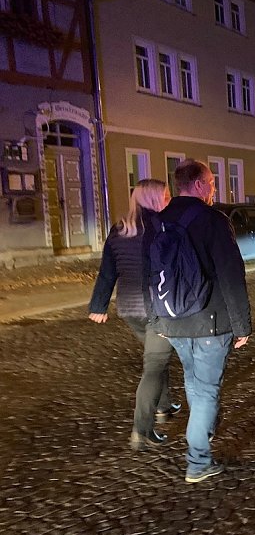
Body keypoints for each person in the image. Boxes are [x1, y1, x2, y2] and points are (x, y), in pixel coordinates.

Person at [142, 159, 251, 484]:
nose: (215, 187)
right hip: (210, 321)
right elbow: (232, 273)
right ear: (200, 185)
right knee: (205, 391)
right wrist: (242, 324)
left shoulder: (157, 222)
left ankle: (202, 430)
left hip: (172, 321)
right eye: (212, 182)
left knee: (193, 379)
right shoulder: (212, 221)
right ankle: (198, 461)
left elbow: (147, 275)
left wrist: (155, 319)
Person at [89, 179, 179, 449]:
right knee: (154, 365)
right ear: (154, 199)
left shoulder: (119, 230)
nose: (168, 199)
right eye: (165, 195)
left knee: (156, 358)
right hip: (157, 308)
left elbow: (108, 270)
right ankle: (142, 429)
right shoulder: (162, 228)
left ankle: (163, 405)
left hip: (129, 308)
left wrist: (98, 305)